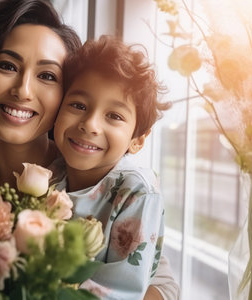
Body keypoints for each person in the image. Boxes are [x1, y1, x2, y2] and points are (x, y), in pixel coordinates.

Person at [0, 1, 178, 299]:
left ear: (63, 92)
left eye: (47, 76)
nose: (23, 90)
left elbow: (158, 281)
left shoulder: (95, 178)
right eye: (7, 66)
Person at [52, 35, 173, 299]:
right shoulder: (49, 174)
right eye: (78, 105)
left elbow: (121, 289)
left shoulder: (136, 191)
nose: (90, 124)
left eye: (114, 116)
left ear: (138, 140)